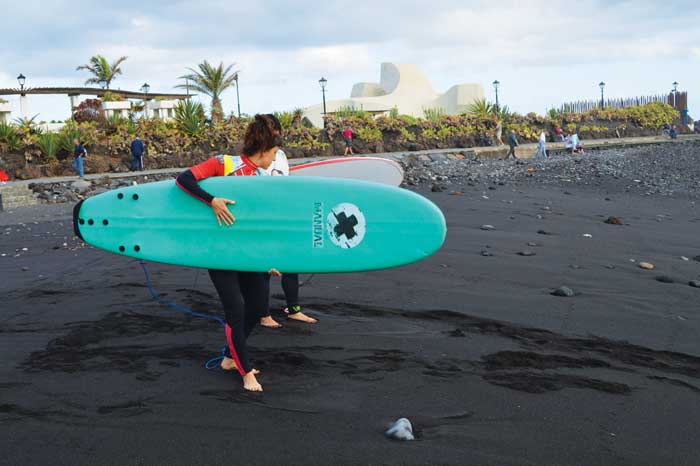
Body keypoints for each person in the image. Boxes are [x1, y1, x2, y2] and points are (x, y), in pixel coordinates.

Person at [175, 114, 284, 392]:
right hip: (221, 252)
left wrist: (270, 259)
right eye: (273, 153)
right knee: (236, 309)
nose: (274, 159)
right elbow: (184, 179)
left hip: (248, 253)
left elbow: (261, 224)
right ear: (263, 150)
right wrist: (212, 201)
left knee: (258, 307)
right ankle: (246, 371)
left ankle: (228, 357)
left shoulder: (262, 178)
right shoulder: (225, 164)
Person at [257, 115, 317, 328]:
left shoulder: (280, 154)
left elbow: (287, 184)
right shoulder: (252, 157)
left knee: (291, 263)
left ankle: (294, 310)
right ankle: (263, 315)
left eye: (275, 130)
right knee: (263, 267)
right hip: (261, 219)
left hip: (282, 214)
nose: (274, 134)